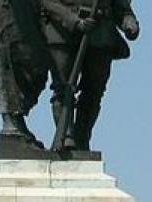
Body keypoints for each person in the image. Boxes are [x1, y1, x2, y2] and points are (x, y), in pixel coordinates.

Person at [39, 0, 139, 151]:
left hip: (100, 35)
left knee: (94, 91)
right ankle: (66, 135)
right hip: (62, 32)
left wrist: (129, 23)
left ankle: (82, 137)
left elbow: (121, 7)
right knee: (64, 88)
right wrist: (74, 21)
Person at [0, 0, 49, 148]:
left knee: (33, 66)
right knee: (9, 64)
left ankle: (16, 120)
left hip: (27, 13)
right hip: (10, 13)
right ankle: (11, 123)